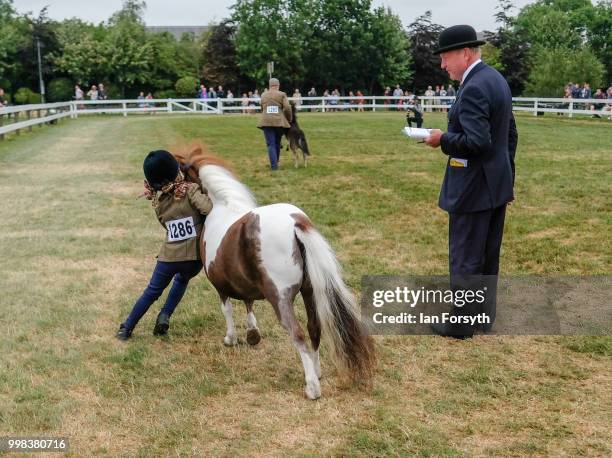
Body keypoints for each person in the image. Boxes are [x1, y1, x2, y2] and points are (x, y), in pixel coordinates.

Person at [424, 24, 518, 339]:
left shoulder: (475, 86)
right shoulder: (496, 80)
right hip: (494, 186)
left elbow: (478, 142)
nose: (442, 64)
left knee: (465, 254)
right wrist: (507, 179)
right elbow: (510, 136)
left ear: (465, 53)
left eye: (445, 57)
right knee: (488, 254)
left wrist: (443, 139)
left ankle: (462, 322)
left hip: (473, 187)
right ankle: (483, 316)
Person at [116, 150, 213, 340]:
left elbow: (166, 226)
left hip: (168, 258)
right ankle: (165, 314)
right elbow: (208, 209)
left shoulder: (159, 204)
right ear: (176, 170)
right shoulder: (191, 190)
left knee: (151, 291)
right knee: (182, 280)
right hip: (193, 259)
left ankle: (126, 328)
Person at [257, 78, 292, 171]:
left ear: (269, 86)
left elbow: (262, 107)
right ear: (278, 85)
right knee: (277, 142)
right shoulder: (282, 94)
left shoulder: (263, 95)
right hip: (279, 122)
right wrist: (289, 119)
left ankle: (274, 166)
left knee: (270, 144)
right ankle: (275, 164)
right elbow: (288, 108)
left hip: (266, 121)